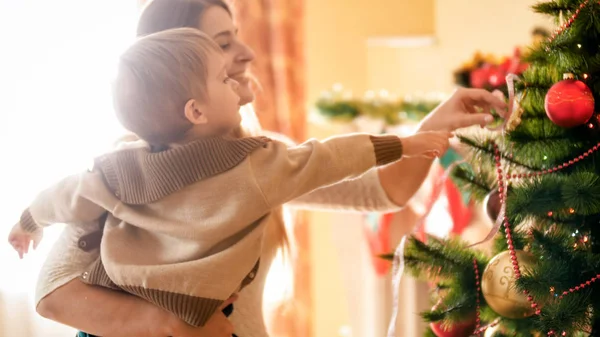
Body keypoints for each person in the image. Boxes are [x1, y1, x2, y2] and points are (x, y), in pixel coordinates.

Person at [31, 1, 507, 337]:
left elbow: (380, 191)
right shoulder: (122, 174)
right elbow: (54, 293)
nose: (248, 53)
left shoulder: (258, 159)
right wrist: (176, 325)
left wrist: (435, 123)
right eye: (223, 42)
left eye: (236, 33)